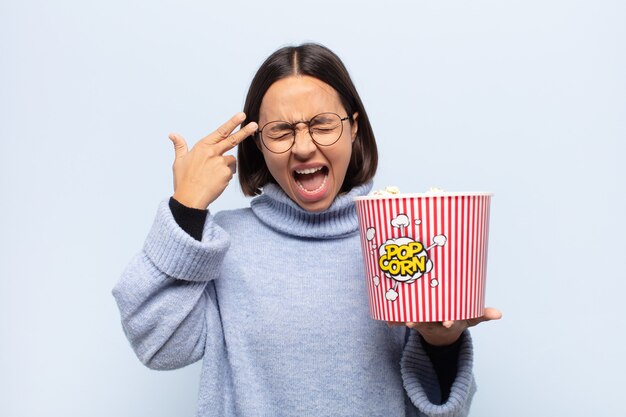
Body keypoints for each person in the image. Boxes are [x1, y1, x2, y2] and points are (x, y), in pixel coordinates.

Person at [112, 43, 501, 417]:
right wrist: (186, 208)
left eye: (322, 124)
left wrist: (442, 345)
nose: (302, 147)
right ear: (259, 145)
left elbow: (439, 412)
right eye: (281, 131)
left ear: (353, 129)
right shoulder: (222, 246)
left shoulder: (401, 234)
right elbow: (158, 346)